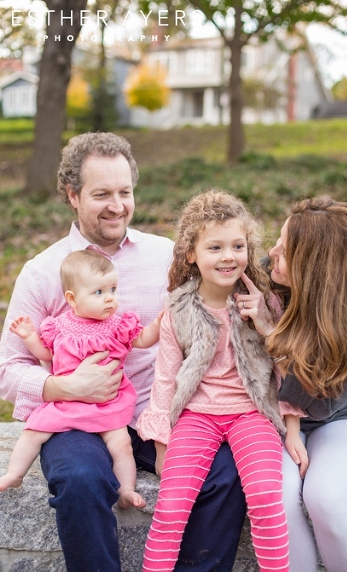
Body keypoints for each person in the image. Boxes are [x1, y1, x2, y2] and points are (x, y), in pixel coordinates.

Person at [0, 132, 248, 572]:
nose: (116, 205)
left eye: (124, 192)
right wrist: (62, 385)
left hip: (162, 411)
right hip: (79, 423)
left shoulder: (166, 257)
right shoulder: (42, 272)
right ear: (73, 196)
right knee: (79, 480)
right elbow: (8, 368)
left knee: (225, 471)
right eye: (101, 194)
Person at [138, 190, 291, 572]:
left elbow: (284, 369)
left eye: (238, 246)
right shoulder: (178, 310)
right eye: (215, 247)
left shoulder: (266, 303)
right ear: (191, 254)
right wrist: (161, 444)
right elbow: (166, 378)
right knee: (171, 506)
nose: (228, 257)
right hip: (196, 416)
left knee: (266, 497)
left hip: (251, 414)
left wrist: (265, 323)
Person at [238, 197, 347, 572]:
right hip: (270, 417)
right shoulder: (265, 281)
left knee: (326, 496)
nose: (272, 253)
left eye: (285, 251)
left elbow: (318, 403)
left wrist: (271, 334)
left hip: (339, 417)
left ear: (316, 269)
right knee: (277, 498)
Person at [0, 250, 161, 508]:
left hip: (109, 402)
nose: (109, 299)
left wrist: (157, 326)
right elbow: (46, 353)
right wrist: (28, 336)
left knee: (121, 445)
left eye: (113, 290)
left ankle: (126, 491)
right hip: (68, 400)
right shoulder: (59, 326)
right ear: (72, 299)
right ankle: (14, 474)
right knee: (33, 432)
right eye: (99, 293)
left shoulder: (117, 325)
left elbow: (142, 340)